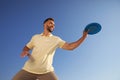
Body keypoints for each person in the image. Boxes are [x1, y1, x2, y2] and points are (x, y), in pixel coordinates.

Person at [12, 18, 88, 80]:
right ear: (44, 24)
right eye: (51, 23)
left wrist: (84, 36)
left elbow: (70, 47)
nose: (53, 25)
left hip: (47, 72)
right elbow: (26, 47)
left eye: (54, 25)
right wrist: (25, 51)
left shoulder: (56, 39)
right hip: (28, 70)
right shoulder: (35, 37)